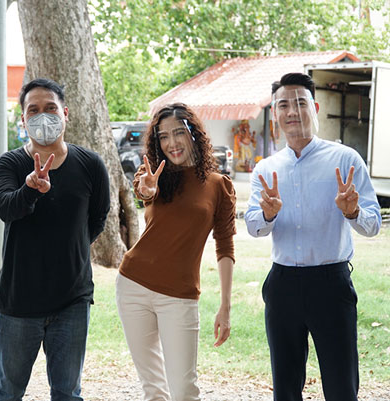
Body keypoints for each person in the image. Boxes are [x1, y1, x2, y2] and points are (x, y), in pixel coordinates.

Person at [245, 72, 382, 401]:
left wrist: (352, 212)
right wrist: (268, 214)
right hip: (282, 285)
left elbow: (374, 224)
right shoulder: (266, 169)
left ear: (315, 108)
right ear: (275, 113)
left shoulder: (345, 160)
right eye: (283, 105)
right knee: (285, 387)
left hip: (330, 284)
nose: (292, 111)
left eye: (300, 103)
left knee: (341, 386)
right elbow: (253, 226)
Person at [0, 78, 110, 400]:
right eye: (33, 110)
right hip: (19, 299)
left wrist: (70, 247)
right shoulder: (9, 164)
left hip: (72, 299)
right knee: (7, 392)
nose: (42, 116)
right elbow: (6, 208)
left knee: (67, 392)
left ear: (65, 113)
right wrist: (30, 188)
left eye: (50, 108)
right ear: (23, 119)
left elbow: (98, 218)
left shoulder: (90, 164)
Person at [116, 103, 236, 401]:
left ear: (194, 133)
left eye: (178, 133)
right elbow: (145, 190)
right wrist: (147, 189)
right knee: (154, 390)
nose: (171, 143)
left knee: (184, 391)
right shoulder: (152, 174)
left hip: (180, 296)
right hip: (133, 285)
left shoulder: (218, 186)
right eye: (163, 137)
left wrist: (225, 306)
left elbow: (225, 245)